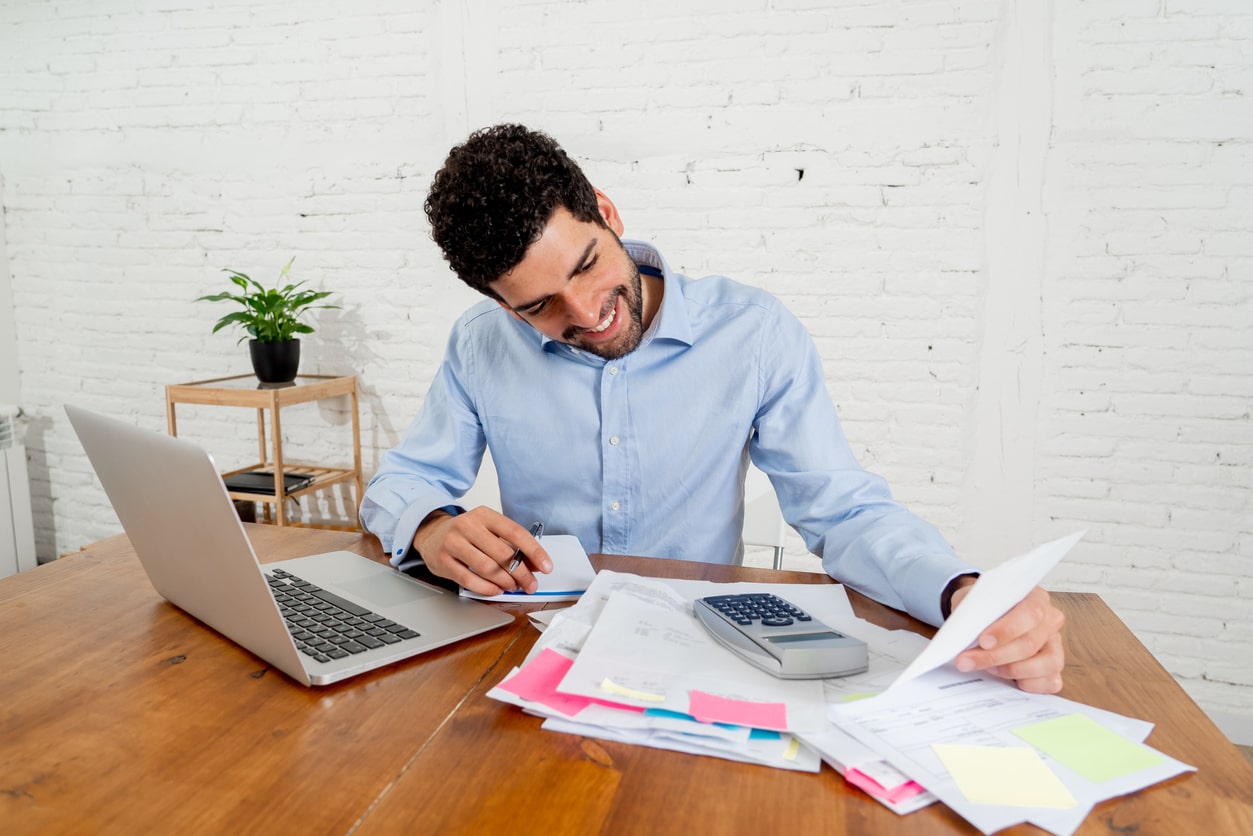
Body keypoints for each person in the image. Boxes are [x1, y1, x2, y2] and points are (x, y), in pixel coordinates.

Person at [361, 124, 1066, 694]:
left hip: (702, 654)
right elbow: (401, 482)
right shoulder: (480, 344)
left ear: (607, 213)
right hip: (533, 657)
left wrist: (958, 590)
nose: (587, 314)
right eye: (539, 306)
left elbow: (842, 510)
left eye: (585, 267)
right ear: (498, 302)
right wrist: (428, 525)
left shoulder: (754, 333)